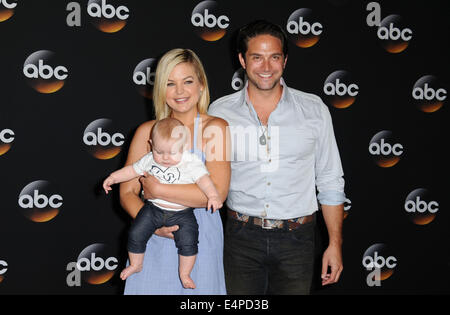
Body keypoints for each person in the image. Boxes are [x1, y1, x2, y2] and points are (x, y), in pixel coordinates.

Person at [208, 20, 345, 295]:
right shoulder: (219, 112)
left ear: (285, 60)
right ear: (242, 60)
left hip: (298, 238)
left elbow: (330, 180)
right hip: (239, 237)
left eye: (274, 57)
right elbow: (202, 178)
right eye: (257, 57)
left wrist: (335, 244)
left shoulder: (313, 109)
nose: (266, 67)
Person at [119, 48, 230, 294]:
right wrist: (153, 226)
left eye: (187, 81)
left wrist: (159, 189)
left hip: (199, 237)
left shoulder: (216, 129)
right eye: (170, 83)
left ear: (201, 85)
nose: (180, 92)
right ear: (160, 89)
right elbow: (127, 192)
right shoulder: (146, 131)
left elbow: (216, 194)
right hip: (152, 239)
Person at [103, 117, 222, 288]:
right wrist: (113, 178)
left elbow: (204, 180)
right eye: (159, 152)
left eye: (172, 153)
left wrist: (213, 196)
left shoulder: (190, 161)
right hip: (153, 210)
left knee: (189, 241)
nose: (165, 158)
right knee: (136, 233)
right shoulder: (149, 159)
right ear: (151, 145)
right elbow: (131, 170)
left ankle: (185, 273)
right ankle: (136, 264)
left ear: (184, 147)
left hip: (182, 214)